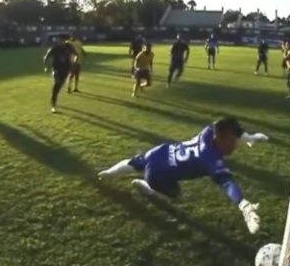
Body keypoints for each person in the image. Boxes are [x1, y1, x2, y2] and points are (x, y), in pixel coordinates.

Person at [97, 117, 269, 234]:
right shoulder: (209, 159)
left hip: (161, 151)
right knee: (176, 195)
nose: (235, 145)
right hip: (159, 176)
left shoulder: (210, 131)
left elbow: (230, 127)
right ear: (221, 139)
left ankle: (110, 173)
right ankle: (147, 188)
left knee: (133, 164)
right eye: (232, 141)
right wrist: (244, 205)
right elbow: (227, 183)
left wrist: (249, 138)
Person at [44, 36, 76, 113]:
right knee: (57, 84)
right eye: (61, 40)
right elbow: (46, 57)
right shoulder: (55, 48)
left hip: (65, 70)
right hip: (56, 69)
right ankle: (53, 105)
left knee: (59, 86)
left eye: (64, 40)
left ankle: (53, 99)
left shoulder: (69, 47)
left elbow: (76, 54)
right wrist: (45, 66)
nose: (62, 41)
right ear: (58, 40)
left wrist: (74, 61)